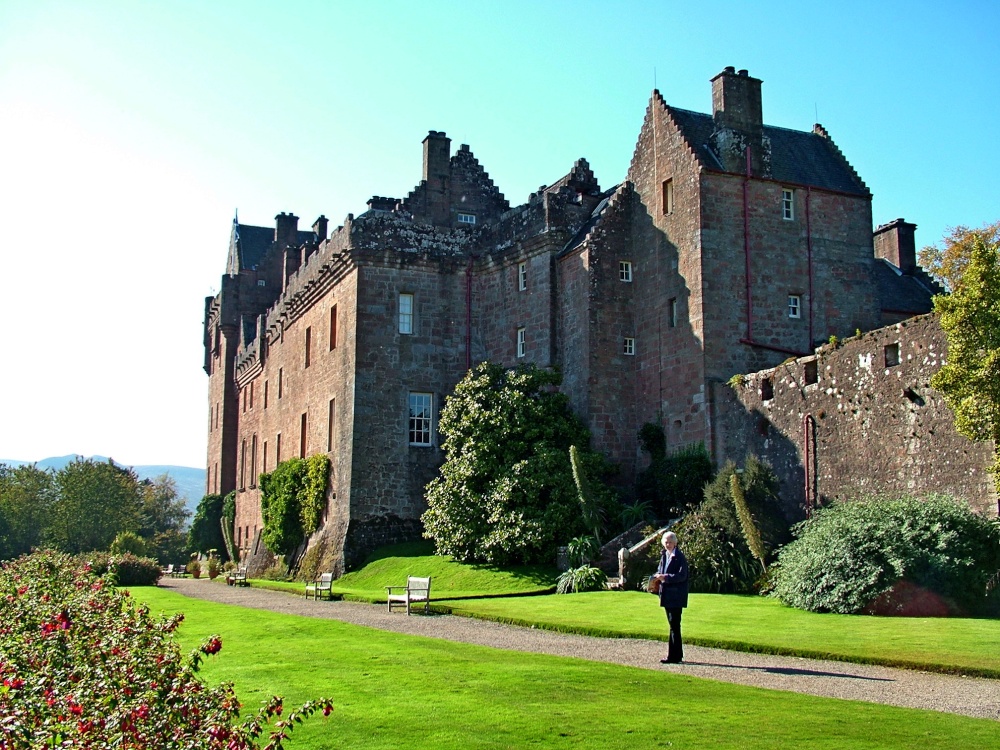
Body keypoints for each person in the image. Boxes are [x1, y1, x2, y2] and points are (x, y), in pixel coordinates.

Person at [654, 530, 688, 664]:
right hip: (667, 594)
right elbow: (660, 570)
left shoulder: (679, 557)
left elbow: (682, 576)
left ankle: (674, 656)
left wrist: (666, 577)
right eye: (666, 542)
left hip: (676, 595)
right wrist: (657, 577)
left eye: (670, 542)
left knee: (674, 624)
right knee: (672, 625)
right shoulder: (664, 556)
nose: (668, 545)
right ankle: (675, 655)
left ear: (675, 543)